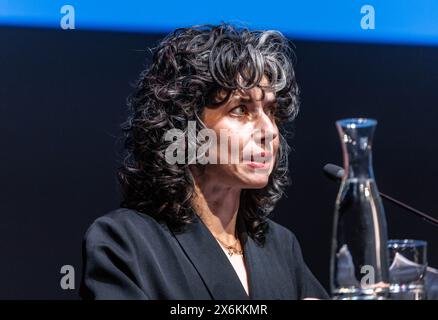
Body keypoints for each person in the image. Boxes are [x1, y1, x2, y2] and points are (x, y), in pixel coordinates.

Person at [80, 23, 329, 300]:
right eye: (240, 110)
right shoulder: (125, 242)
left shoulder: (281, 246)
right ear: (187, 129)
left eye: (271, 110)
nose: (269, 130)